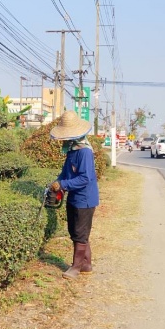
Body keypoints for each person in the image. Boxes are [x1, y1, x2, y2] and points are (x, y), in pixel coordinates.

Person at [49, 110, 100, 279]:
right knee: (76, 232)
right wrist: (57, 182)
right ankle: (86, 264)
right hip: (74, 198)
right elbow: (66, 173)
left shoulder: (84, 152)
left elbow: (85, 178)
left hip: (85, 199)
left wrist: (63, 185)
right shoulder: (71, 150)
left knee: (80, 234)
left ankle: (76, 267)